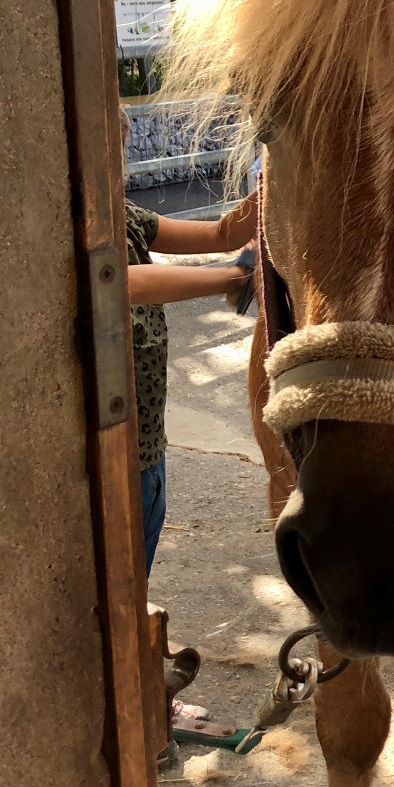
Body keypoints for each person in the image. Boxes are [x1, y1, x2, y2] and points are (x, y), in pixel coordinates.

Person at [126, 196, 255, 573]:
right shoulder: (61, 233)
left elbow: (222, 233)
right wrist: (235, 277)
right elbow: (114, 281)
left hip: (150, 448)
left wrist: (274, 178)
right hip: (116, 453)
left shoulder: (126, 215)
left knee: (136, 579)